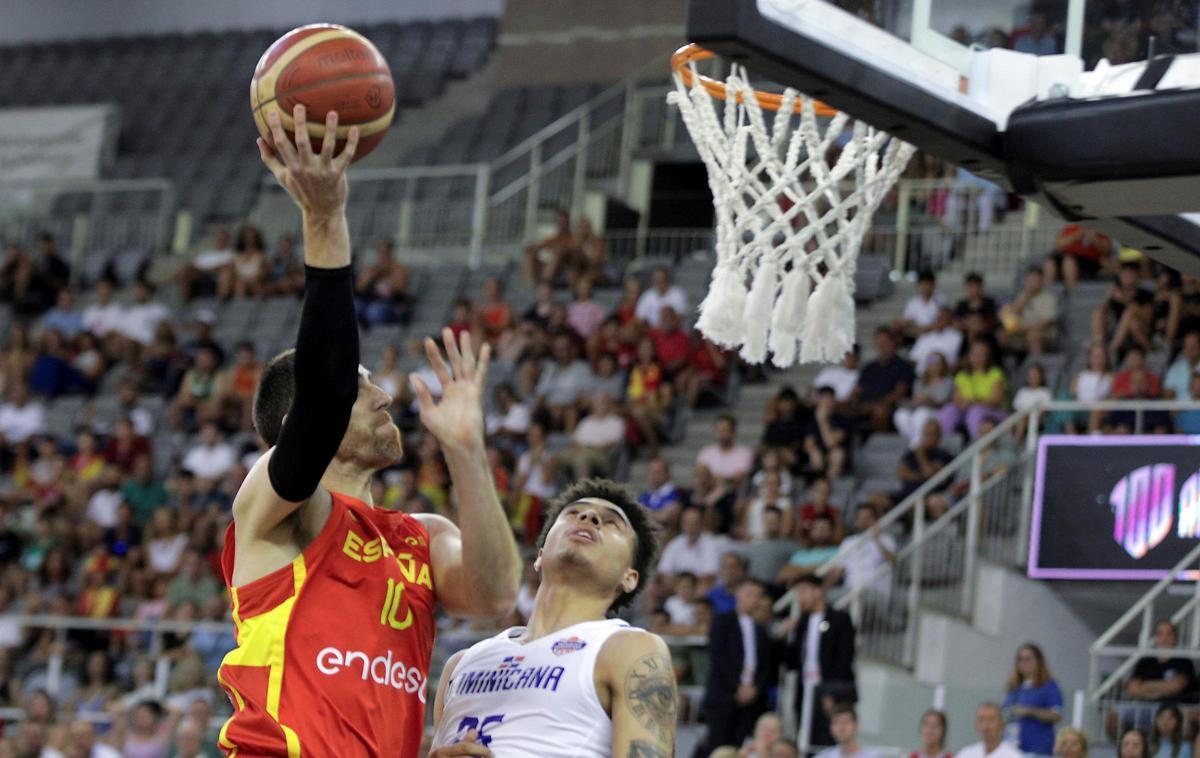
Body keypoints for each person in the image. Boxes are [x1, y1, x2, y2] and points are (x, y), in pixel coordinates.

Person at [217, 105, 520, 756]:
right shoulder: (273, 514)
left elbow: (496, 593)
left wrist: (467, 452)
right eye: (362, 385)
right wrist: (324, 222)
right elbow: (324, 399)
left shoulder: (422, 537)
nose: (384, 394)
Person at [429, 480, 676, 757]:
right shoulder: (461, 664)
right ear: (540, 555)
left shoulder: (627, 649)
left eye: (611, 522)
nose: (588, 517)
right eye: (573, 513)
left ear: (628, 577)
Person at [701, 579, 777, 755]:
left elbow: (765, 665)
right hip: (724, 696)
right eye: (750, 594)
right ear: (738, 595)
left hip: (752, 700)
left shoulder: (761, 628)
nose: (754, 600)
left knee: (742, 747)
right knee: (718, 747)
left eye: (758, 596)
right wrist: (738, 686)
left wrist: (755, 688)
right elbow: (718, 658)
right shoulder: (722, 621)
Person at [783, 575, 857, 748]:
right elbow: (791, 663)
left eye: (803, 592)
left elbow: (844, 658)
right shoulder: (802, 623)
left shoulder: (840, 619)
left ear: (818, 591)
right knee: (806, 738)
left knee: (830, 740)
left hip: (832, 691)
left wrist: (829, 692)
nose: (800, 598)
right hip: (805, 691)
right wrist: (787, 636)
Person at [1002, 643, 1063, 757]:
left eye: (1028, 659)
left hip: (1037, 750)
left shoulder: (1048, 686)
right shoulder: (1014, 687)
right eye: (1020, 659)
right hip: (1011, 748)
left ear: (1039, 661)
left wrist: (1030, 711)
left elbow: (1056, 714)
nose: (1023, 663)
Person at [852, 327, 914, 433]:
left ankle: (879, 445)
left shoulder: (903, 366)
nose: (881, 346)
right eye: (878, 342)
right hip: (863, 405)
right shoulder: (869, 367)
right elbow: (857, 390)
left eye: (884, 342)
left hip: (887, 406)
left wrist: (874, 404)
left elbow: (900, 392)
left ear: (893, 342)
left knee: (880, 411)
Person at [956, 703, 1024, 758]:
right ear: (976, 724)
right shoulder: (966, 754)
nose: (985, 726)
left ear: (1002, 725)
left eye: (991, 720)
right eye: (981, 720)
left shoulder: (1014, 755)